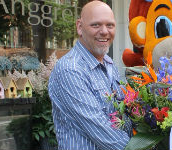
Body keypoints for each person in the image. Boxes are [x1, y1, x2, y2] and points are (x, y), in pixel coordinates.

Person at [48, 1, 131, 150]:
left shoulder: (109, 63)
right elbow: (102, 132)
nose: (105, 31)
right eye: (96, 25)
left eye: (110, 25)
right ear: (80, 27)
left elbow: (123, 115)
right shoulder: (70, 69)